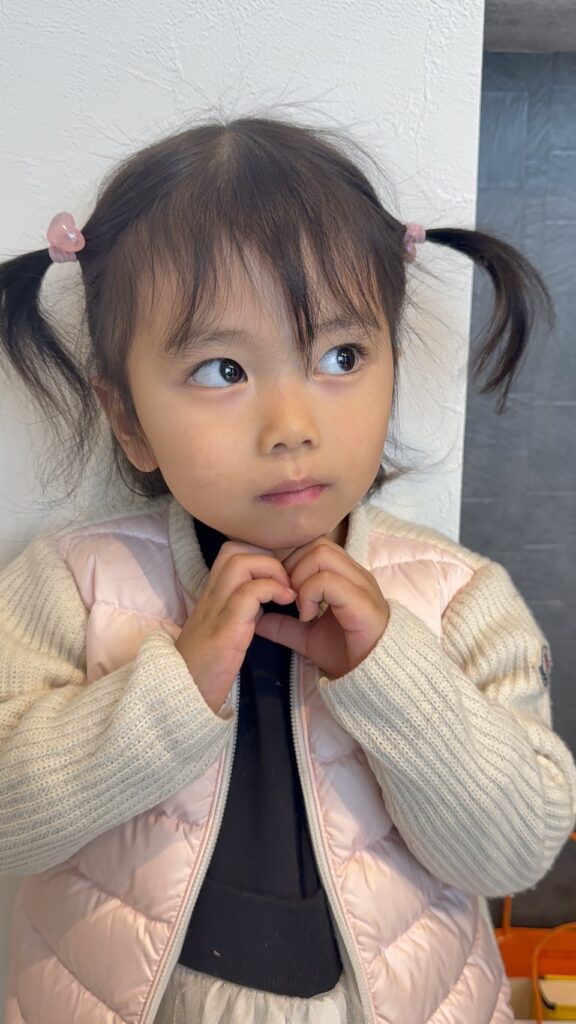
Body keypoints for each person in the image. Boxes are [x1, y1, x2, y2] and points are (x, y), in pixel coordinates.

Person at [0, 116, 574, 1024]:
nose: (291, 427)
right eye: (222, 369)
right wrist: (174, 688)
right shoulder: (70, 586)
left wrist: (392, 673)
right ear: (129, 421)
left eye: (341, 357)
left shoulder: (459, 599)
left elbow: (514, 854)